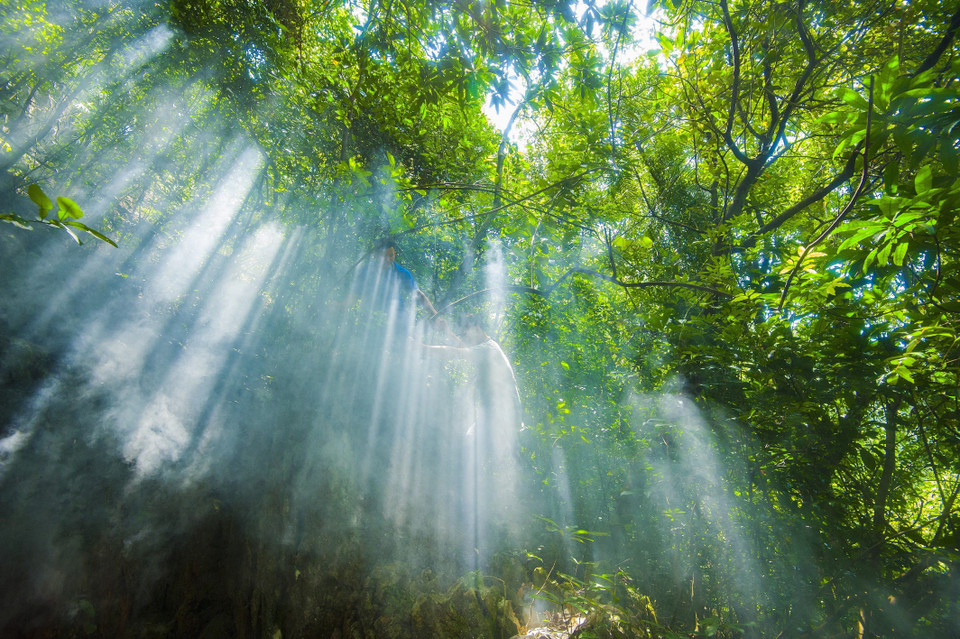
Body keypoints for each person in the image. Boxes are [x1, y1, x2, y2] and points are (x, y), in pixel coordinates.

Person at [351, 239, 437, 335]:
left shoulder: (401, 272)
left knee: (409, 341)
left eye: (391, 255)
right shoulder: (365, 271)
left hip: (398, 321)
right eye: (384, 256)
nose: (388, 259)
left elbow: (418, 295)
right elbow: (354, 296)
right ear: (375, 255)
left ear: (395, 254)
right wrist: (339, 306)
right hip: (370, 322)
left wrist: (435, 315)